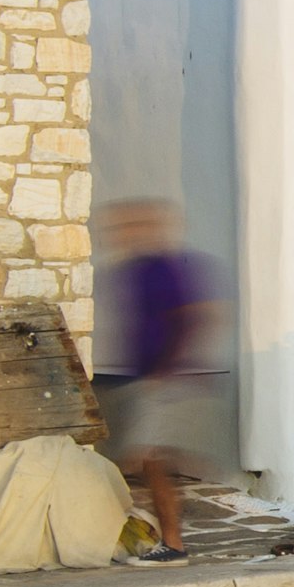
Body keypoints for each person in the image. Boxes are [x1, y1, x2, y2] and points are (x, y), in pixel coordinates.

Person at [101, 199, 228, 560]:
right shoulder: (132, 271)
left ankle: (173, 543)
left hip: (165, 380)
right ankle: (167, 537)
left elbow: (196, 315)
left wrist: (166, 369)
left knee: (151, 460)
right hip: (147, 378)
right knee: (148, 460)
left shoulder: (167, 268)